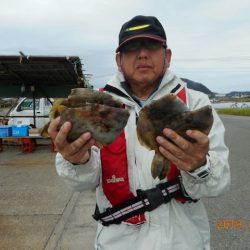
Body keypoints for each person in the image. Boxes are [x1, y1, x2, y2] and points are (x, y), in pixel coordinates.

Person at [48, 15, 230, 250]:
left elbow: (218, 185)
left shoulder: (196, 103)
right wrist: (75, 160)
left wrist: (200, 166)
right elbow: (82, 183)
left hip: (185, 241)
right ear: (118, 60)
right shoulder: (95, 106)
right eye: (132, 47)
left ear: (168, 56)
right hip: (118, 243)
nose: (142, 54)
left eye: (152, 46)